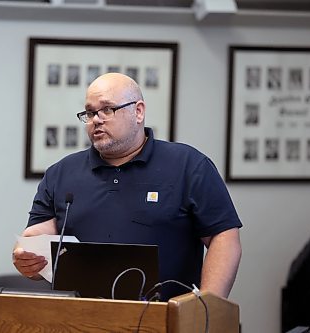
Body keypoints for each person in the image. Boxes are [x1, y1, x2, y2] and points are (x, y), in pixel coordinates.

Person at [13, 73, 242, 300]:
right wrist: (28, 255)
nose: (96, 120)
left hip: (166, 318)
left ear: (138, 111)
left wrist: (207, 305)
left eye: (107, 109)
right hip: (81, 318)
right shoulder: (60, 173)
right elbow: (41, 233)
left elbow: (223, 237)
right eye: (90, 112)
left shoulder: (189, 165)